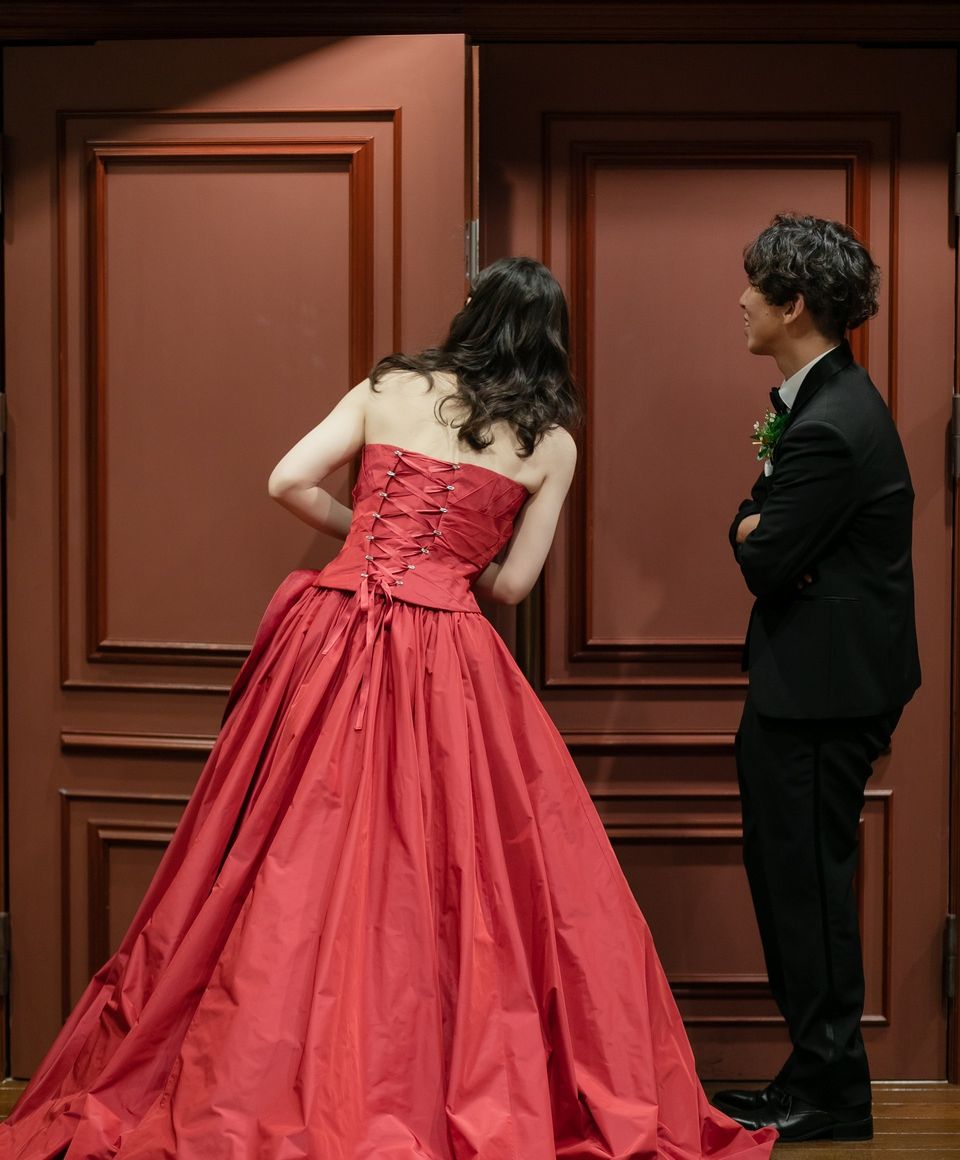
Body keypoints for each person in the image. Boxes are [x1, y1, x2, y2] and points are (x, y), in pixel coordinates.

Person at [0, 258, 775, 1160]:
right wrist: (450, 563)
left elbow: (286, 480)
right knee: (432, 873)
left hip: (332, 635)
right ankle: (404, 1075)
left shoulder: (392, 386)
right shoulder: (551, 444)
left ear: (472, 310)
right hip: (447, 656)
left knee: (282, 855)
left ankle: (264, 1073)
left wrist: (366, 535)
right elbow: (514, 587)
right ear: (551, 341)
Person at [714, 216, 921, 1143]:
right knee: (793, 885)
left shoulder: (833, 423)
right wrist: (760, 525)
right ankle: (815, 1074)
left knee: (807, 892)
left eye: (754, 286)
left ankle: (834, 1092)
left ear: (793, 304)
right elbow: (765, 526)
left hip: (821, 699)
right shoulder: (823, 402)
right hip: (813, 689)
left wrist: (756, 532)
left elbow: (763, 555)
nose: (741, 301)